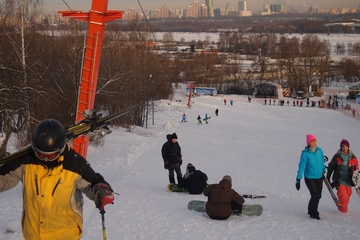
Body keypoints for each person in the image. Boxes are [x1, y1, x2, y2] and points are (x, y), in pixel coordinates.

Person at [0, 119, 114, 240]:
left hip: (65, 235)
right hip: (33, 235)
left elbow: (95, 182)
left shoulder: (74, 164)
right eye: (40, 154)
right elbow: (4, 178)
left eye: (51, 155)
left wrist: (101, 191)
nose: (45, 159)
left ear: (60, 149)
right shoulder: (26, 160)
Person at [296, 134, 326, 220]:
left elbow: (321, 162)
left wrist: (323, 170)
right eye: (311, 141)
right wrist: (298, 179)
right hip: (309, 178)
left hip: (319, 176)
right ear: (308, 143)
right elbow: (301, 166)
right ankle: (314, 212)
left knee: (318, 195)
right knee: (315, 195)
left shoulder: (319, 151)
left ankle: (310, 210)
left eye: (315, 141)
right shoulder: (305, 154)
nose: (313, 143)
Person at [326, 139, 359, 213]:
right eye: (343, 146)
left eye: (346, 146)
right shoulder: (337, 156)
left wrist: (357, 179)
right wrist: (328, 177)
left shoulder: (353, 157)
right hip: (340, 180)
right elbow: (331, 167)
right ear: (341, 147)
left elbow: (357, 169)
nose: (345, 148)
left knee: (348, 194)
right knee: (343, 197)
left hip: (349, 180)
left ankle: (343, 207)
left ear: (348, 147)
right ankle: (342, 209)